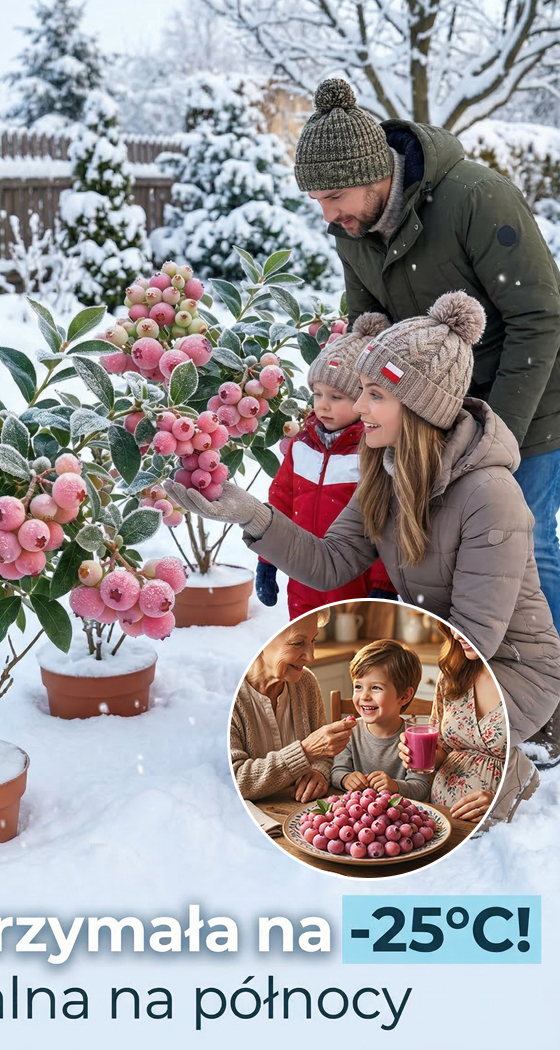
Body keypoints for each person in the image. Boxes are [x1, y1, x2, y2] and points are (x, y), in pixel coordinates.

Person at [167, 290, 560, 821]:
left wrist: (383, 704)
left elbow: (476, 639)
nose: (358, 408)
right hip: (439, 659)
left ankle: (505, 772)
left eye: (375, 395)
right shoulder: (386, 470)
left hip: (506, 668)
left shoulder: (489, 496)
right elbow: (330, 561)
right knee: (341, 733)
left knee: (404, 769)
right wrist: (248, 514)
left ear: (418, 407)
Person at [293, 77, 560, 762]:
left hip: (525, 403)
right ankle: (463, 697)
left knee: (523, 553)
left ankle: (546, 705)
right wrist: (343, 397)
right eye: (318, 201)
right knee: (447, 558)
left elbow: (540, 317)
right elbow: (367, 323)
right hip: (429, 417)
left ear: (373, 176)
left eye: (333, 198)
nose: (327, 215)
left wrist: (487, 437)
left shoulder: (474, 197)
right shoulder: (355, 229)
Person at [257, 314, 397, 616]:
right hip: (303, 577)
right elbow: (281, 499)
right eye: (318, 394)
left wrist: (384, 586)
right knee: (306, 643)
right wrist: (267, 559)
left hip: (354, 585)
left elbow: (388, 523)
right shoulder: (302, 444)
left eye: (336, 397)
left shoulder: (373, 453)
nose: (322, 404)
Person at [231, 611, 356, 802]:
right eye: (298, 643)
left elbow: (324, 756)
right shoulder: (231, 695)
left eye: (313, 640)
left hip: (297, 811)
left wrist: (319, 773)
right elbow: (236, 780)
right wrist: (306, 751)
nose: (311, 656)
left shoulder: (305, 682)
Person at [399, 625, 507, 824]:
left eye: (467, 624)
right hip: (440, 818)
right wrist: (418, 754)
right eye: (452, 626)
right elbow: (443, 750)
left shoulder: (533, 683)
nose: (457, 634)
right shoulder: (451, 675)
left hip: (501, 828)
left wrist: (505, 804)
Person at [329, 639, 429, 801]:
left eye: (376, 688)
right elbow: (336, 772)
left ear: (404, 696)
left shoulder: (414, 739)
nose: (364, 696)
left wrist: (394, 786)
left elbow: (421, 788)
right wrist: (345, 778)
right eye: (358, 686)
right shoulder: (349, 732)